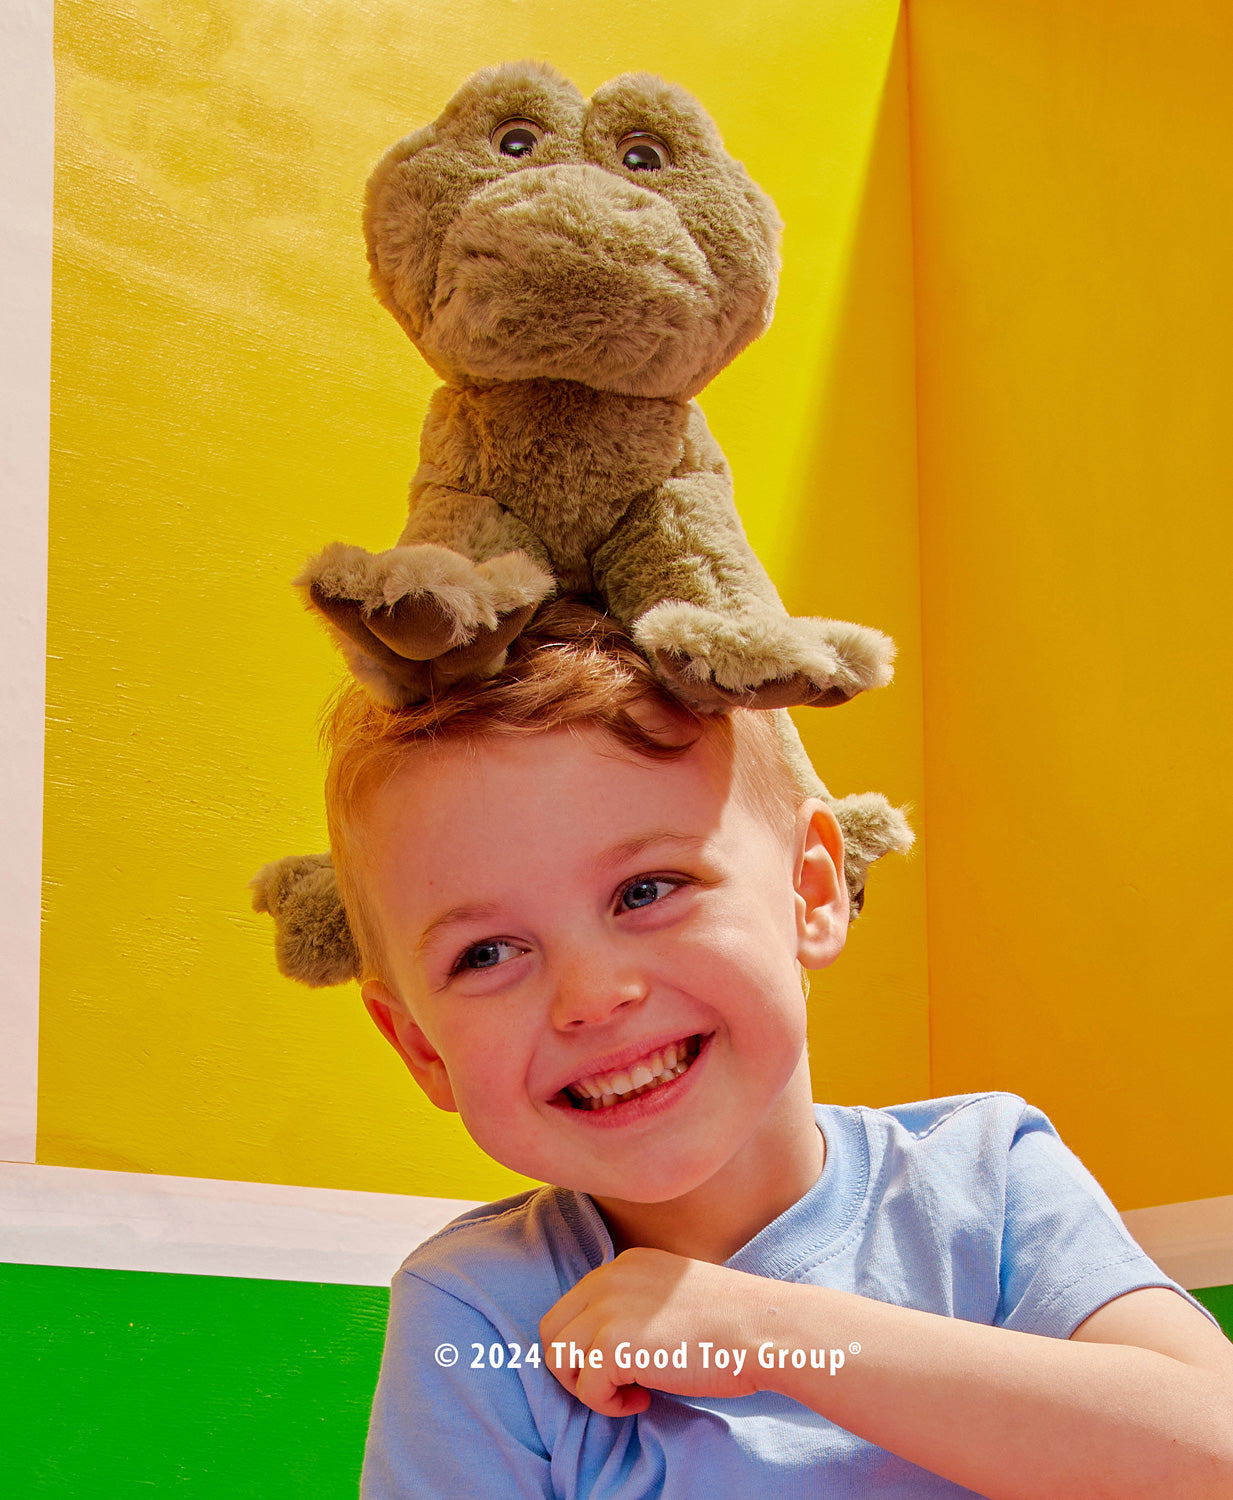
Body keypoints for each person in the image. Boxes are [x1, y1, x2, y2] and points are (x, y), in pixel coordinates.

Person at [328, 599, 1233, 1498]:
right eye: (487, 953)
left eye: (647, 890)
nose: (592, 997)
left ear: (811, 893)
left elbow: (1214, 1449)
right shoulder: (479, 1313)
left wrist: (767, 1333)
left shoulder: (985, 1182)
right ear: (420, 1049)